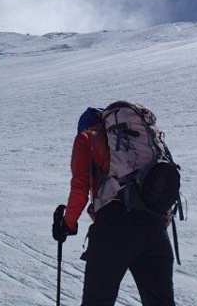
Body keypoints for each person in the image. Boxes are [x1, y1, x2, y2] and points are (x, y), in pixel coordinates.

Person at [53, 107, 176, 306]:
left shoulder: (87, 138)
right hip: (155, 230)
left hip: (113, 229)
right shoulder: (142, 142)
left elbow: (80, 188)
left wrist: (67, 224)